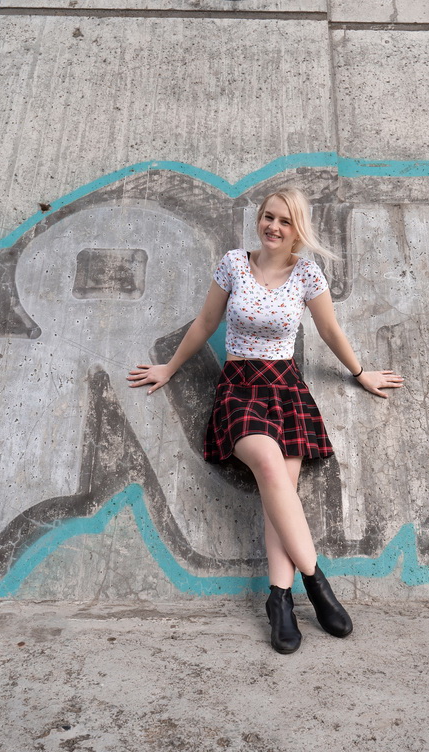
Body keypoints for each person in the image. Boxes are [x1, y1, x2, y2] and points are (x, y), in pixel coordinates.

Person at [127, 188, 404, 654]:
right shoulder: (234, 264)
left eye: (285, 221)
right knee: (272, 470)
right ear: (259, 219)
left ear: (298, 230)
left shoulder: (307, 274)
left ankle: (280, 602)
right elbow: (205, 323)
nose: (273, 227)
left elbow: (330, 330)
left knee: (281, 496)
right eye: (268, 217)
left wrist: (361, 373)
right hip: (239, 389)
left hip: (285, 390)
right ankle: (317, 583)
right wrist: (168, 368)